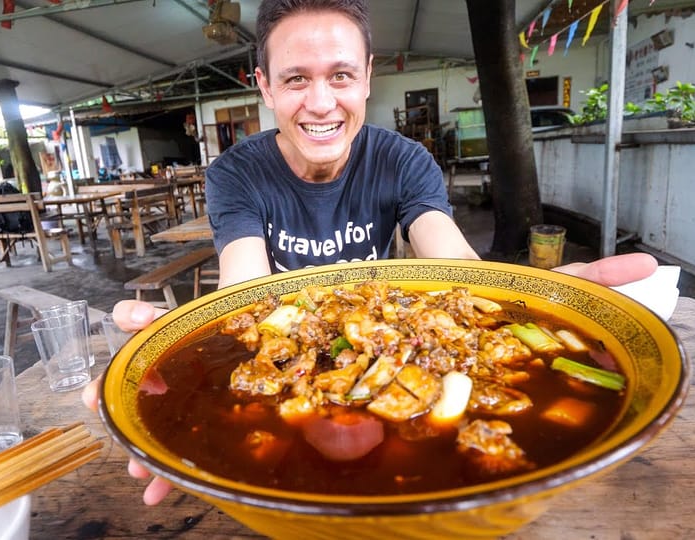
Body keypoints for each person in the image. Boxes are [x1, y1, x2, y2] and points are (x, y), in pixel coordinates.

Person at [81, 0, 658, 504]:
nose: (321, 102)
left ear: (366, 79)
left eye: (340, 76)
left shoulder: (401, 159)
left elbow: (453, 266)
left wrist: (535, 300)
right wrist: (173, 346)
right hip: (309, 358)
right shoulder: (238, 172)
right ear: (264, 86)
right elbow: (243, 288)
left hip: (397, 340)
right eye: (296, 80)